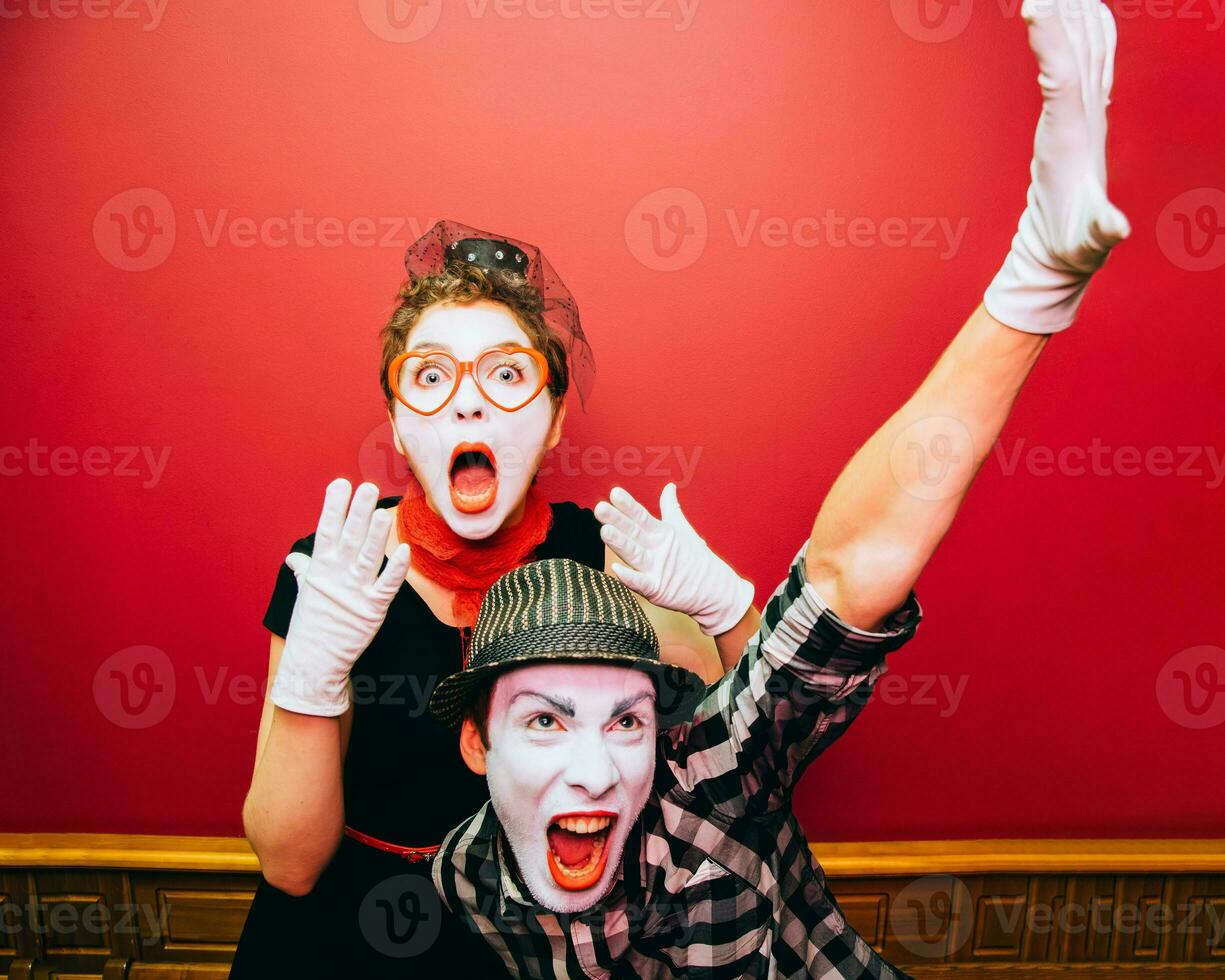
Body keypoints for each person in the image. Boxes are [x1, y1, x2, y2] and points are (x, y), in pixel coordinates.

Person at [429, 2, 1130, 976]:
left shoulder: (706, 781)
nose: (592, 766)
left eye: (626, 719)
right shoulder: (465, 879)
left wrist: (1034, 282)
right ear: (476, 744)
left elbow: (846, 578)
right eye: (544, 718)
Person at [231, 221, 760, 977]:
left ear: (552, 425)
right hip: (347, 933)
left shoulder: (619, 562)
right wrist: (313, 677)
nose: (468, 406)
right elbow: (289, 866)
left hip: (541, 940)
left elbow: (747, 758)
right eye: (432, 377)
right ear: (397, 422)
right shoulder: (331, 572)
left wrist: (726, 608)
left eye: (506, 377)